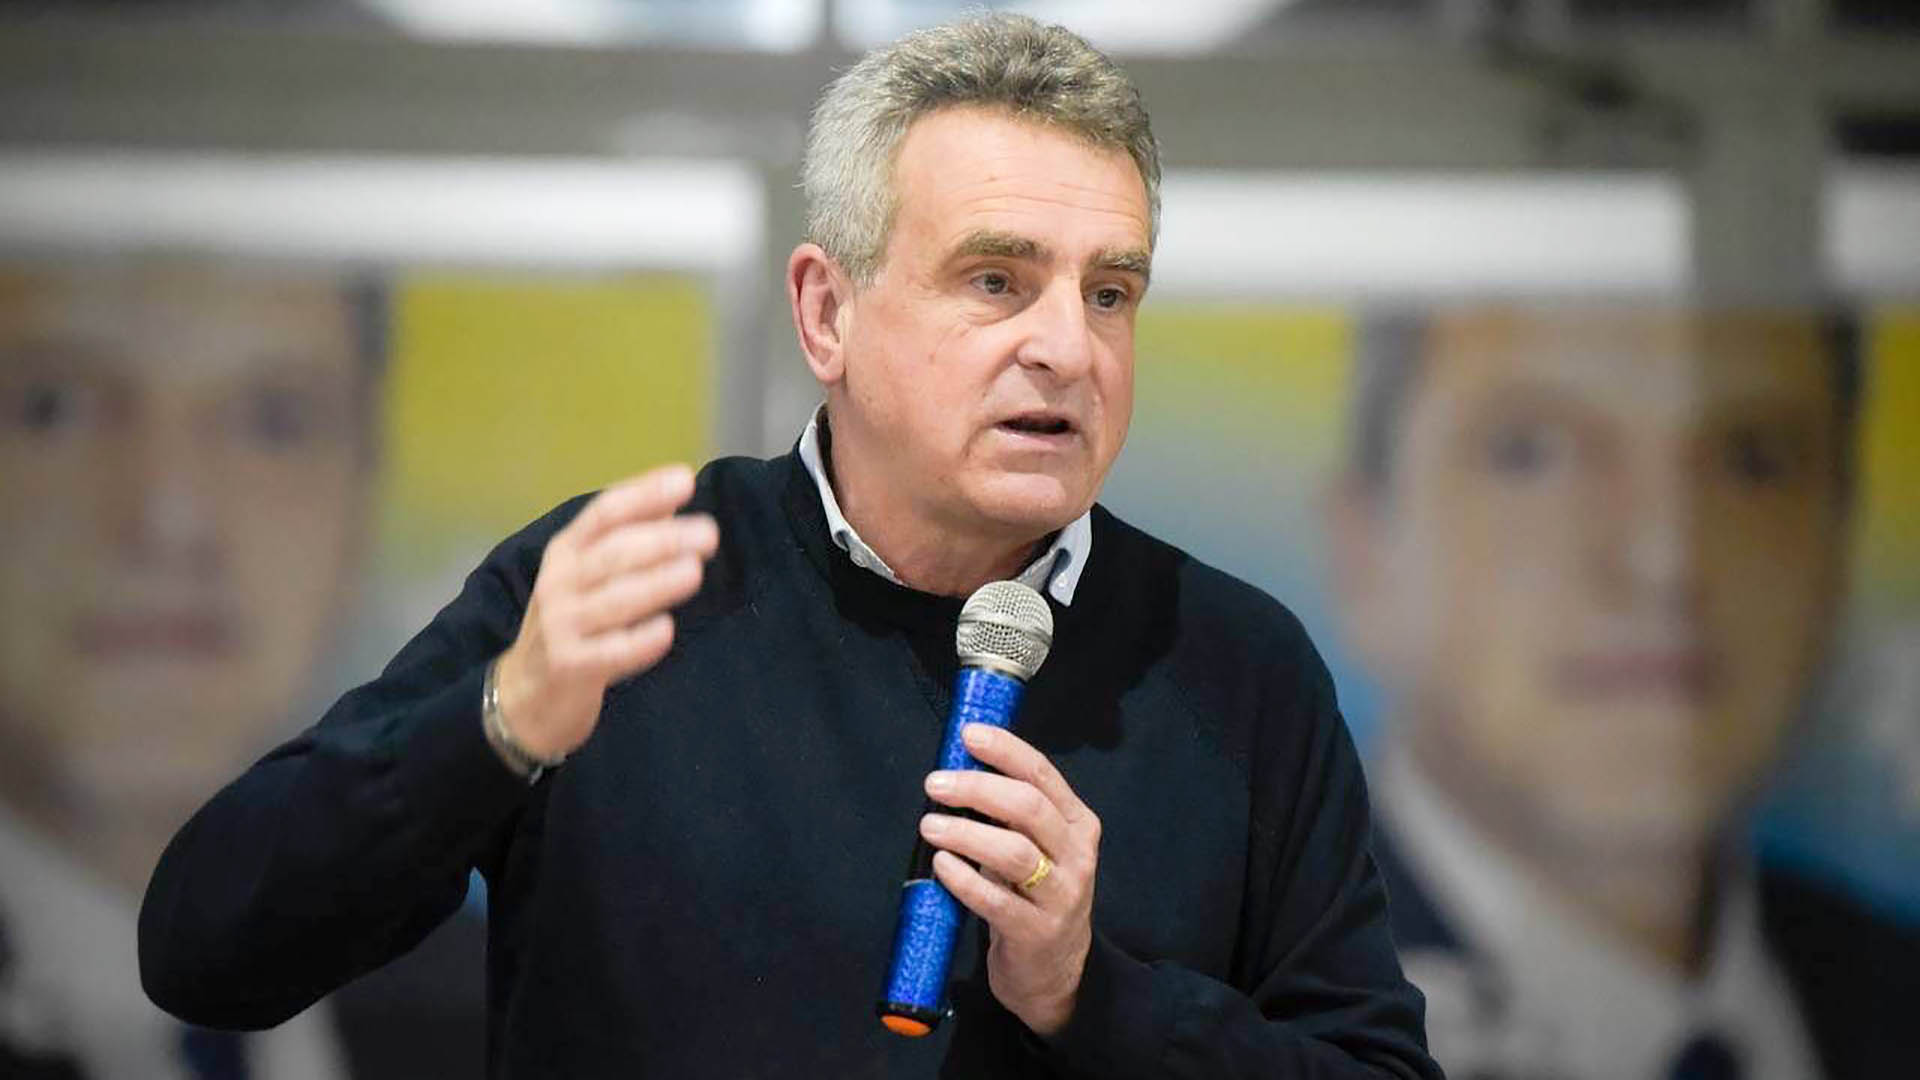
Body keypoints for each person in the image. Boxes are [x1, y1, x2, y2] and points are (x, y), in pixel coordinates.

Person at [140, 15, 1440, 1078]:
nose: (1068, 346)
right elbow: (205, 948)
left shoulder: (1236, 665)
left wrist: (1089, 996)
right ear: (827, 313)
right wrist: (496, 727)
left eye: (1110, 292)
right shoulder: (631, 588)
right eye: (996, 280)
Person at [1327, 305, 1920, 1078]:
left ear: (1840, 546)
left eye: (1753, 458)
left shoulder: (1895, 986)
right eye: (1531, 452)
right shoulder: (1237, 1002)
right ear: (1364, 551)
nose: (1665, 557)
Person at [0, 261, 378, 1078]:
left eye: (274, 420)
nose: (167, 518)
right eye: (52, 406)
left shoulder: (516, 993)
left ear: (361, 506)